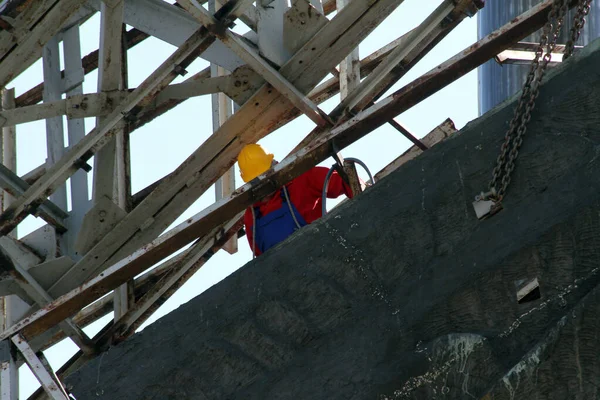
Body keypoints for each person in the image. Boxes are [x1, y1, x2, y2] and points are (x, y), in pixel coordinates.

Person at [238, 144, 354, 257]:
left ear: (274, 166)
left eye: (265, 177)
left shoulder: (301, 180)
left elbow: (346, 182)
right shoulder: (252, 216)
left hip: (325, 257)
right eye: (256, 182)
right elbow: (261, 261)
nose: (263, 186)